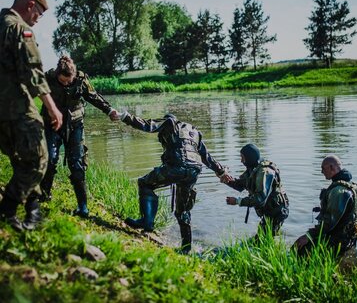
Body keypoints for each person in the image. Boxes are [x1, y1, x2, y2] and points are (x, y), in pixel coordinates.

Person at [118, 112, 227, 254]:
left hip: (177, 167)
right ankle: (186, 249)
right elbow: (206, 157)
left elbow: (147, 125)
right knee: (183, 211)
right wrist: (221, 172)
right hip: (194, 170)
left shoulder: (169, 123)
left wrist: (124, 117)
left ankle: (147, 223)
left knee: (145, 183)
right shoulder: (194, 132)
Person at [0, 0, 63, 231]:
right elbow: (33, 71)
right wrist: (52, 107)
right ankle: (7, 209)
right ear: (29, 5)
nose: (38, 19)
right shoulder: (20, 29)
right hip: (16, 106)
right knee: (39, 158)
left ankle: (34, 210)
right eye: (39, 13)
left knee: (20, 158)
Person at [39, 55, 118, 217]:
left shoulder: (81, 79)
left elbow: (92, 96)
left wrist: (109, 110)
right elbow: (34, 91)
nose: (67, 84)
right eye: (63, 81)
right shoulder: (48, 77)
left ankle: (83, 207)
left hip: (75, 125)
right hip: (52, 124)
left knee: (77, 164)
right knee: (50, 159)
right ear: (58, 75)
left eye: (69, 81)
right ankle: (44, 196)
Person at [294, 155, 357, 256]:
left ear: (332, 167)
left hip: (338, 240)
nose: (321, 172)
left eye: (323, 168)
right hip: (348, 238)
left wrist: (308, 236)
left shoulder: (339, 191)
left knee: (298, 249)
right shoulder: (350, 185)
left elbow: (329, 223)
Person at [220, 144, 289, 238]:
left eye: (242, 158)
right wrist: (226, 180)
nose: (241, 161)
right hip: (269, 212)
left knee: (261, 241)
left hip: (276, 212)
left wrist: (237, 201)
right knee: (261, 240)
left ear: (249, 158)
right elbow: (240, 185)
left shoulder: (264, 172)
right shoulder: (253, 169)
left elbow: (260, 199)